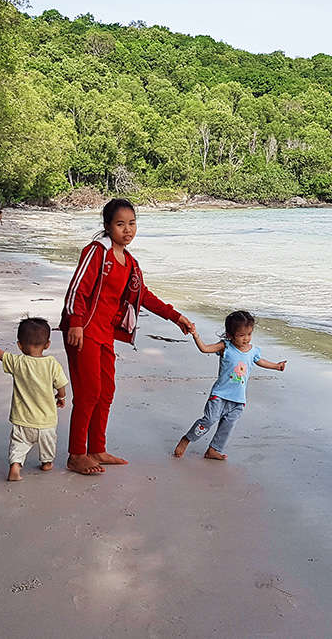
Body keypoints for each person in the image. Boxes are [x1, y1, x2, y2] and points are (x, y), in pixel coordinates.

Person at [60, 198, 193, 475]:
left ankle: (96, 448)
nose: (127, 230)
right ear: (108, 226)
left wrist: (175, 316)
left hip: (105, 333)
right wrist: (74, 323)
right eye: (120, 224)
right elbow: (77, 289)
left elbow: (143, 295)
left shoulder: (130, 263)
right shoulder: (97, 252)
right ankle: (76, 454)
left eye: (132, 224)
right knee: (88, 393)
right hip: (83, 331)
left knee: (106, 391)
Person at [173, 311, 287, 460]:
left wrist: (276, 366)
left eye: (249, 334)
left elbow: (261, 361)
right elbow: (205, 349)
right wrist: (195, 335)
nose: (246, 339)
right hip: (219, 395)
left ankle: (214, 450)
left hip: (238, 399)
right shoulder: (225, 346)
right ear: (230, 335)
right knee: (208, 420)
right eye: (241, 335)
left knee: (227, 426)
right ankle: (187, 439)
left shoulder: (253, 351)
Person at [0, 317, 68, 481]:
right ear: (47, 344)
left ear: (20, 345)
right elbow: (61, 384)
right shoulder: (52, 364)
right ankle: (47, 462)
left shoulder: (18, 362)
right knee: (48, 444)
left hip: (22, 420)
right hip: (46, 421)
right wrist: (61, 396)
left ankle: (15, 466)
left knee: (18, 444)